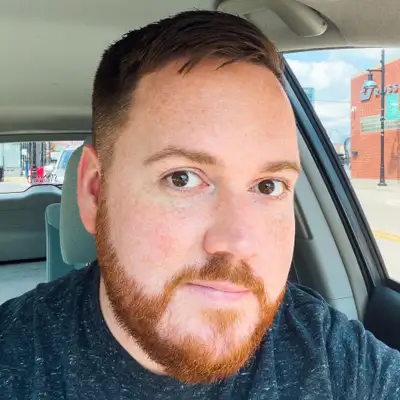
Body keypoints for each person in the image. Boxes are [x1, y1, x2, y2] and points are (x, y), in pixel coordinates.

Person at [0, 10, 399, 400]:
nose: (239, 241)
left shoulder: (333, 358)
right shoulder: (15, 359)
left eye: (268, 185)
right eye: (182, 179)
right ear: (94, 194)